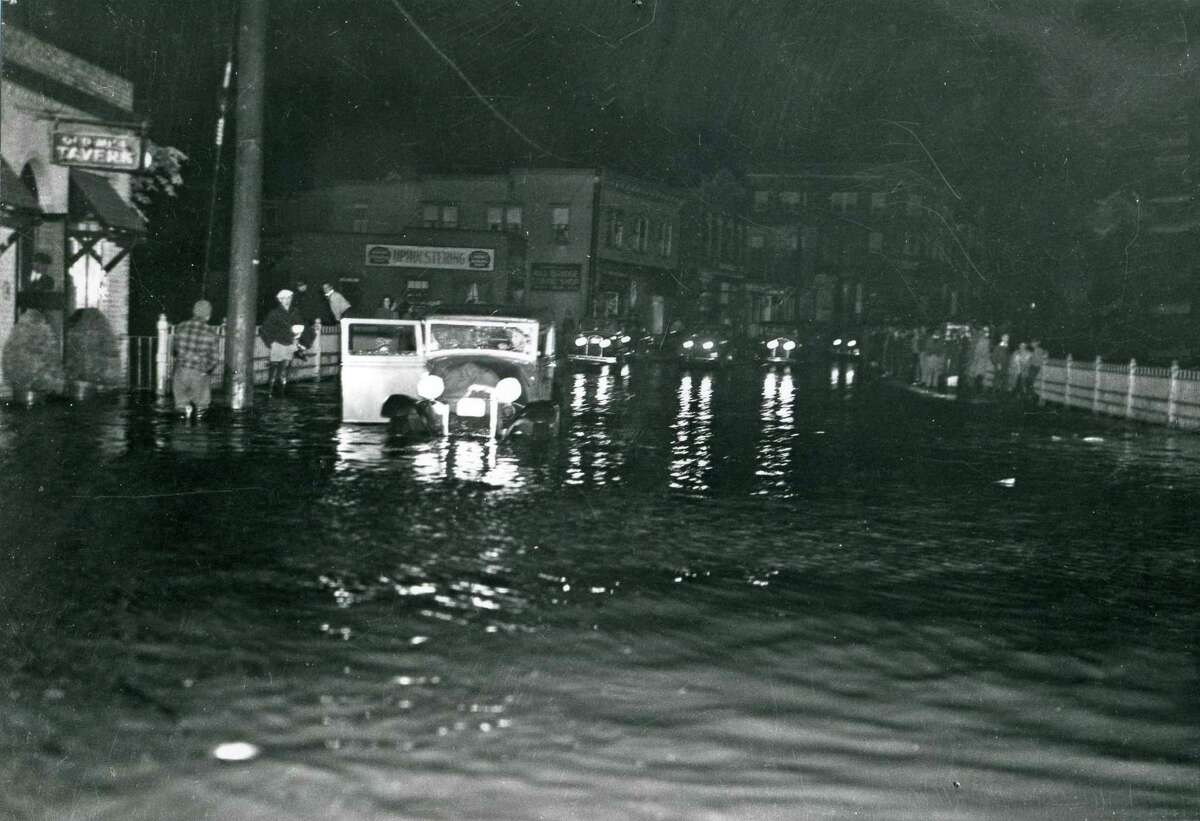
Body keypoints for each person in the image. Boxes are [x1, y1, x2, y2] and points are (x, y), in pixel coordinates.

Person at [171, 299, 219, 421]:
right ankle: (198, 433)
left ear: (194, 312)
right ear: (208, 315)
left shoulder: (181, 326)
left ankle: (181, 430)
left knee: (180, 406)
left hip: (181, 371)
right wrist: (205, 370)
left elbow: (174, 350)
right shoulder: (211, 332)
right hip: (199, 373)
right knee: (201, 408)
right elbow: (214, 359)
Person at [259, 289, 305, 394]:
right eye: (284, 299)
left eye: (289, 298)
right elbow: (263, 329)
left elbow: (301, 325)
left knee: (285, 370)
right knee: (274, 371)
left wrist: (297, 338)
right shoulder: (274, 313)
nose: (287, 300)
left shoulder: (295, 312)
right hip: (278, 344)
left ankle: (281, 394)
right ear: (280, 300)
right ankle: (270, 393)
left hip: (290, 343)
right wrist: (271, 342)